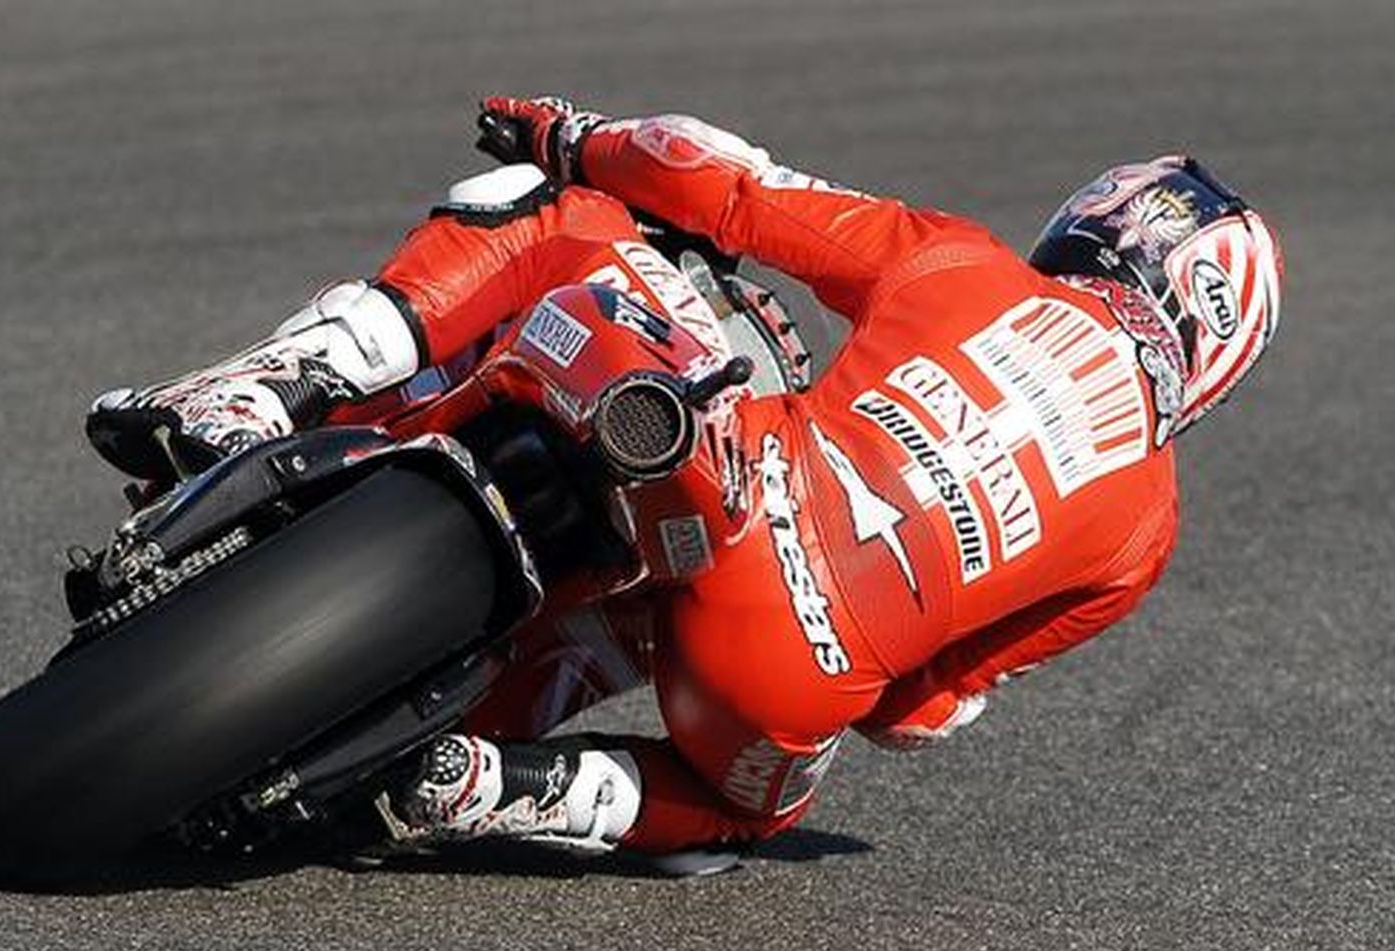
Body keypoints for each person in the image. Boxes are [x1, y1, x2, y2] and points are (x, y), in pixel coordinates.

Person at [87, 97, 1284, 865]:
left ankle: (266, 391)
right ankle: (485, 782)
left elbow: (724, 185)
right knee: (750, 810)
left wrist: (567, 133)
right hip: (775, 679)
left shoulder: (963, 263)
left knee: (555, 218)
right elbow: (914, 716)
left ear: (1098, 228)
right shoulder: (1145, 534)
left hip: (722, 472)